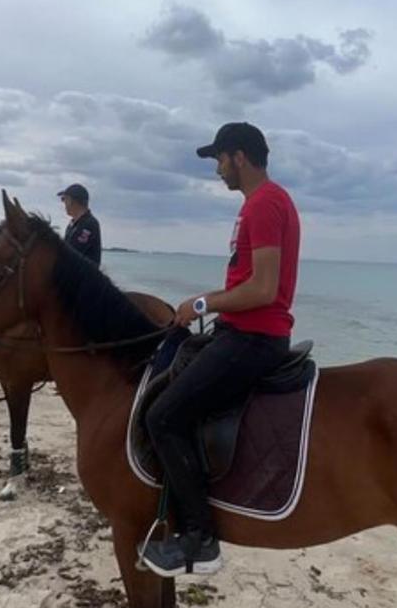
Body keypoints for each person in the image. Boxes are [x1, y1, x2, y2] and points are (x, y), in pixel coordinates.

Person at [140, 122, 301, 577]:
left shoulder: (265, 203)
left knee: (164, 417)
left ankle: (200, 537)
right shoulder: (258, 204)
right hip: (240, 329)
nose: (217, 171)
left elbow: (265, 289)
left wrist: (202, 303)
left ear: (240, 157)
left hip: (255, 338)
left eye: (219, 160)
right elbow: (247, 282)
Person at [58, 183, 101, 265]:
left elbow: (72, 253)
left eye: (64, 199)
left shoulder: (89, 224)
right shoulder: (72, 225)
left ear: (71, 201)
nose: (64, 204)